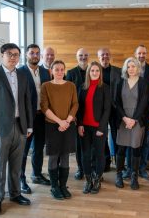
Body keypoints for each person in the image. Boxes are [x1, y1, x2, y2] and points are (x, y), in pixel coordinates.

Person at [0, 43, 32, 215]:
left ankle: (16, 194)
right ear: (2, 55)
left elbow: (27, 102)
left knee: (16, 166)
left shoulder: (23, 76)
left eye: (16, 54)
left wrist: (29, 125)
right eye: (10, 54)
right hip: (0, 129)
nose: (13, 57)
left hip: (20, 127)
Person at [40, 60, 79, 200]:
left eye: (62, 69)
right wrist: (59, 122)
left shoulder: (71, 86)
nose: (60, 72)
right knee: (54, 156)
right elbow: (44, 107)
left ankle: (63, 186)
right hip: (52, 125)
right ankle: (54, 187)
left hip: (68, 125)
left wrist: (67, 121)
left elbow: (75, 104)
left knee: (65, 156)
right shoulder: (46, 86)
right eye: (56, 69)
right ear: (51, 71)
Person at [18, 44, 51, 195]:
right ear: (26, 55)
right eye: (32, 53)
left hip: (42, 116)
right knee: (24, 151)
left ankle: (36, 175)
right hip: (26, 118)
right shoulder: (19, 72)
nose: (35, 55)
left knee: (39, 148)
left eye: (37, 53)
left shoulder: (45, 72)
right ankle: (21, 179)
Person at [115, 57, 149, 190]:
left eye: (133, 66)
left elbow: (144, 102)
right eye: (128, 66)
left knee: (136, 149)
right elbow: (116, 102)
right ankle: (119, 175)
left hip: (137, 120)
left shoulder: (143, 83)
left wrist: (134, 119)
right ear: (125, 68)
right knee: (121, 149)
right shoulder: (120, 82)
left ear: (138, 68)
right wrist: (125, 118)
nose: (131, 69)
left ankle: (134, 176)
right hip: (123, 120)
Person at [77, 61, 111, 194]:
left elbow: (107, 109)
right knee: (85, 155)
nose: (95, 73)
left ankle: (97, 179)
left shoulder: (105, 88)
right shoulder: (83, 87)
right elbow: (79, 109)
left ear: (100, 73)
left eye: (97, 71)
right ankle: (88, 179)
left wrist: (102, 128)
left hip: (98, 128)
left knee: (99, 155)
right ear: (88, 72)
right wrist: (79, 124)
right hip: (84, 127)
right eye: (92, 71)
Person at [124, 44, 149, 180]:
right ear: (135, 54)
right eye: (139, 53)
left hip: (145, 115)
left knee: (144, 142)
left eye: (144, 53)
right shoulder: (128, 70)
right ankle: (129, 169)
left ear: (146, 54)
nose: (141, 56)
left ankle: (142, 169)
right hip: (130, 115)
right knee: (130, 143)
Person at [66, 47, 90, 180]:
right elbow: (68, 95)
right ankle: (80, 169)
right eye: (81, 55)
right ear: (77, 57)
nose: (83, 57)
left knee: (90, 144)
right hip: (76, 114)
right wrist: (72, 114)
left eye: (85, 55)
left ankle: (90, 168)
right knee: (79, 144)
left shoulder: (92, 71)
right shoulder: (71, 73)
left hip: (91, 113)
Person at [97, 47, 121, 171]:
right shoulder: (95, 71)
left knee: (116, 135)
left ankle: (118, 161)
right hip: (100, 110)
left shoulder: (118, 71)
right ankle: (106, 160)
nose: (105, 57)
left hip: (115, 108)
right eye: (102, 55)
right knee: (102, 135)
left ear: (110, 56)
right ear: (98, 57)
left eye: (107, 54)